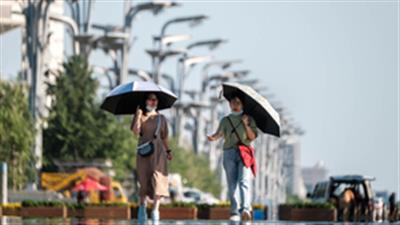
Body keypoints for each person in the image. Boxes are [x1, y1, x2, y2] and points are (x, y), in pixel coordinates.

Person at [207, 94, 258, 222]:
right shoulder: (225, 120)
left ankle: (245, 209)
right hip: (229, 153)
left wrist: (246, 124)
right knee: (232, 184)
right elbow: (220, 133)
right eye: (233, 102)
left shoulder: (249, 119)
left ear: (242, 105)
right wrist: (213, 137)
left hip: (244, 153)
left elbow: (252, 137)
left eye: (238, 102)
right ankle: (235, 211)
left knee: (243, 181)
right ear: (229, 104)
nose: (235, 104)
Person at [131, 93, 172, 223]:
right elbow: (135, 132)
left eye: (155, 100)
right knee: (143, 181)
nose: (153, 102)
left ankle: (155, 211)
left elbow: (165, 137)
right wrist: (138, 115)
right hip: (144, 153)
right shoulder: (140, 116)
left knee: (158, 179)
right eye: (150, 99)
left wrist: (168, 150)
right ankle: (142, 209)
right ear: (146, 101)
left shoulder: (162, 118)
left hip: (159, 153)